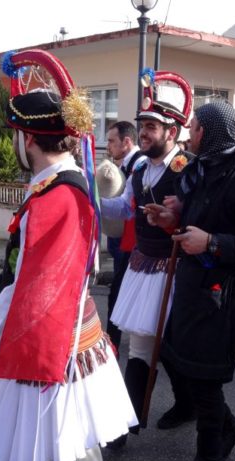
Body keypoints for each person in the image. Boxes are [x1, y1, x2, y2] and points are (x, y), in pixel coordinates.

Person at [0, 49, 135, 461]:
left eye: (17, 135)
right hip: (70, 339)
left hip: (45, 345)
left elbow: (27, 289)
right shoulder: (69, 185)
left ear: (29, 139)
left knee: (20, 457)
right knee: (71, 458)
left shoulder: (55, 198)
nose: (16, 143)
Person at [144, 100, 235, 461]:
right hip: (194, 282)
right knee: (175, 355)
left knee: (204, 375)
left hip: (226, 290)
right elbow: (198, 218)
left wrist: (213, 242)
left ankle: (211, 456)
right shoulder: (202, 166)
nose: (188, 134)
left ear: (208, 132)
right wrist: (174, 219)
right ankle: (229, 426)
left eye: (194, 127)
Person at [100, 70, 195, 448]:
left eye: (152, 126)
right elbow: (126, 208)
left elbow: (201, 218)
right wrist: (90, 200)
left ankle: (198, 408)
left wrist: (177, 217)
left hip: (176, 266)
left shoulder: (188, 168)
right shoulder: (139, 167)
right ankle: (127, 423)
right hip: (144, 263)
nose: (144, 133)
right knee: (142, 345)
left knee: (168, 346)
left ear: (172, 131)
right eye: (142, 126)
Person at [103, 120, 144, 355]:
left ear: (126, 142)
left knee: (119, 293)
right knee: (119, 292)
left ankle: (113, 345)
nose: (108, 146)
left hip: (134, 242)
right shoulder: (128, 165)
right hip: (127, 239)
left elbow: (126, 207)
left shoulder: (138, 165)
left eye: (111, 141)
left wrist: (94, 203)